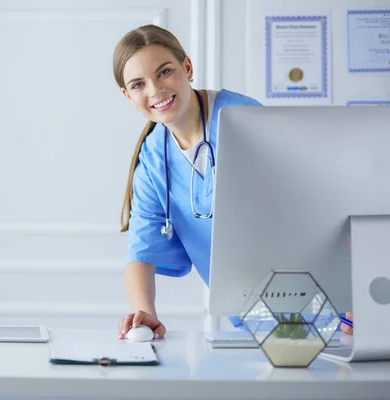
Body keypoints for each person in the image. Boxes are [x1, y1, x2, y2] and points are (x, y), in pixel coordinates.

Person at [112, 24, 354, 340]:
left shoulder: (242, 116)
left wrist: (358, 292)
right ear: (128, 95)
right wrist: (145, 314)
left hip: (333, 308)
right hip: (255, 320)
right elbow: (141, 247)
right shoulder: (154, 156)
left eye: (164, 72)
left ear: (187, 67)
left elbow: (319, 199)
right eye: (138, 84)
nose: (155, 90)